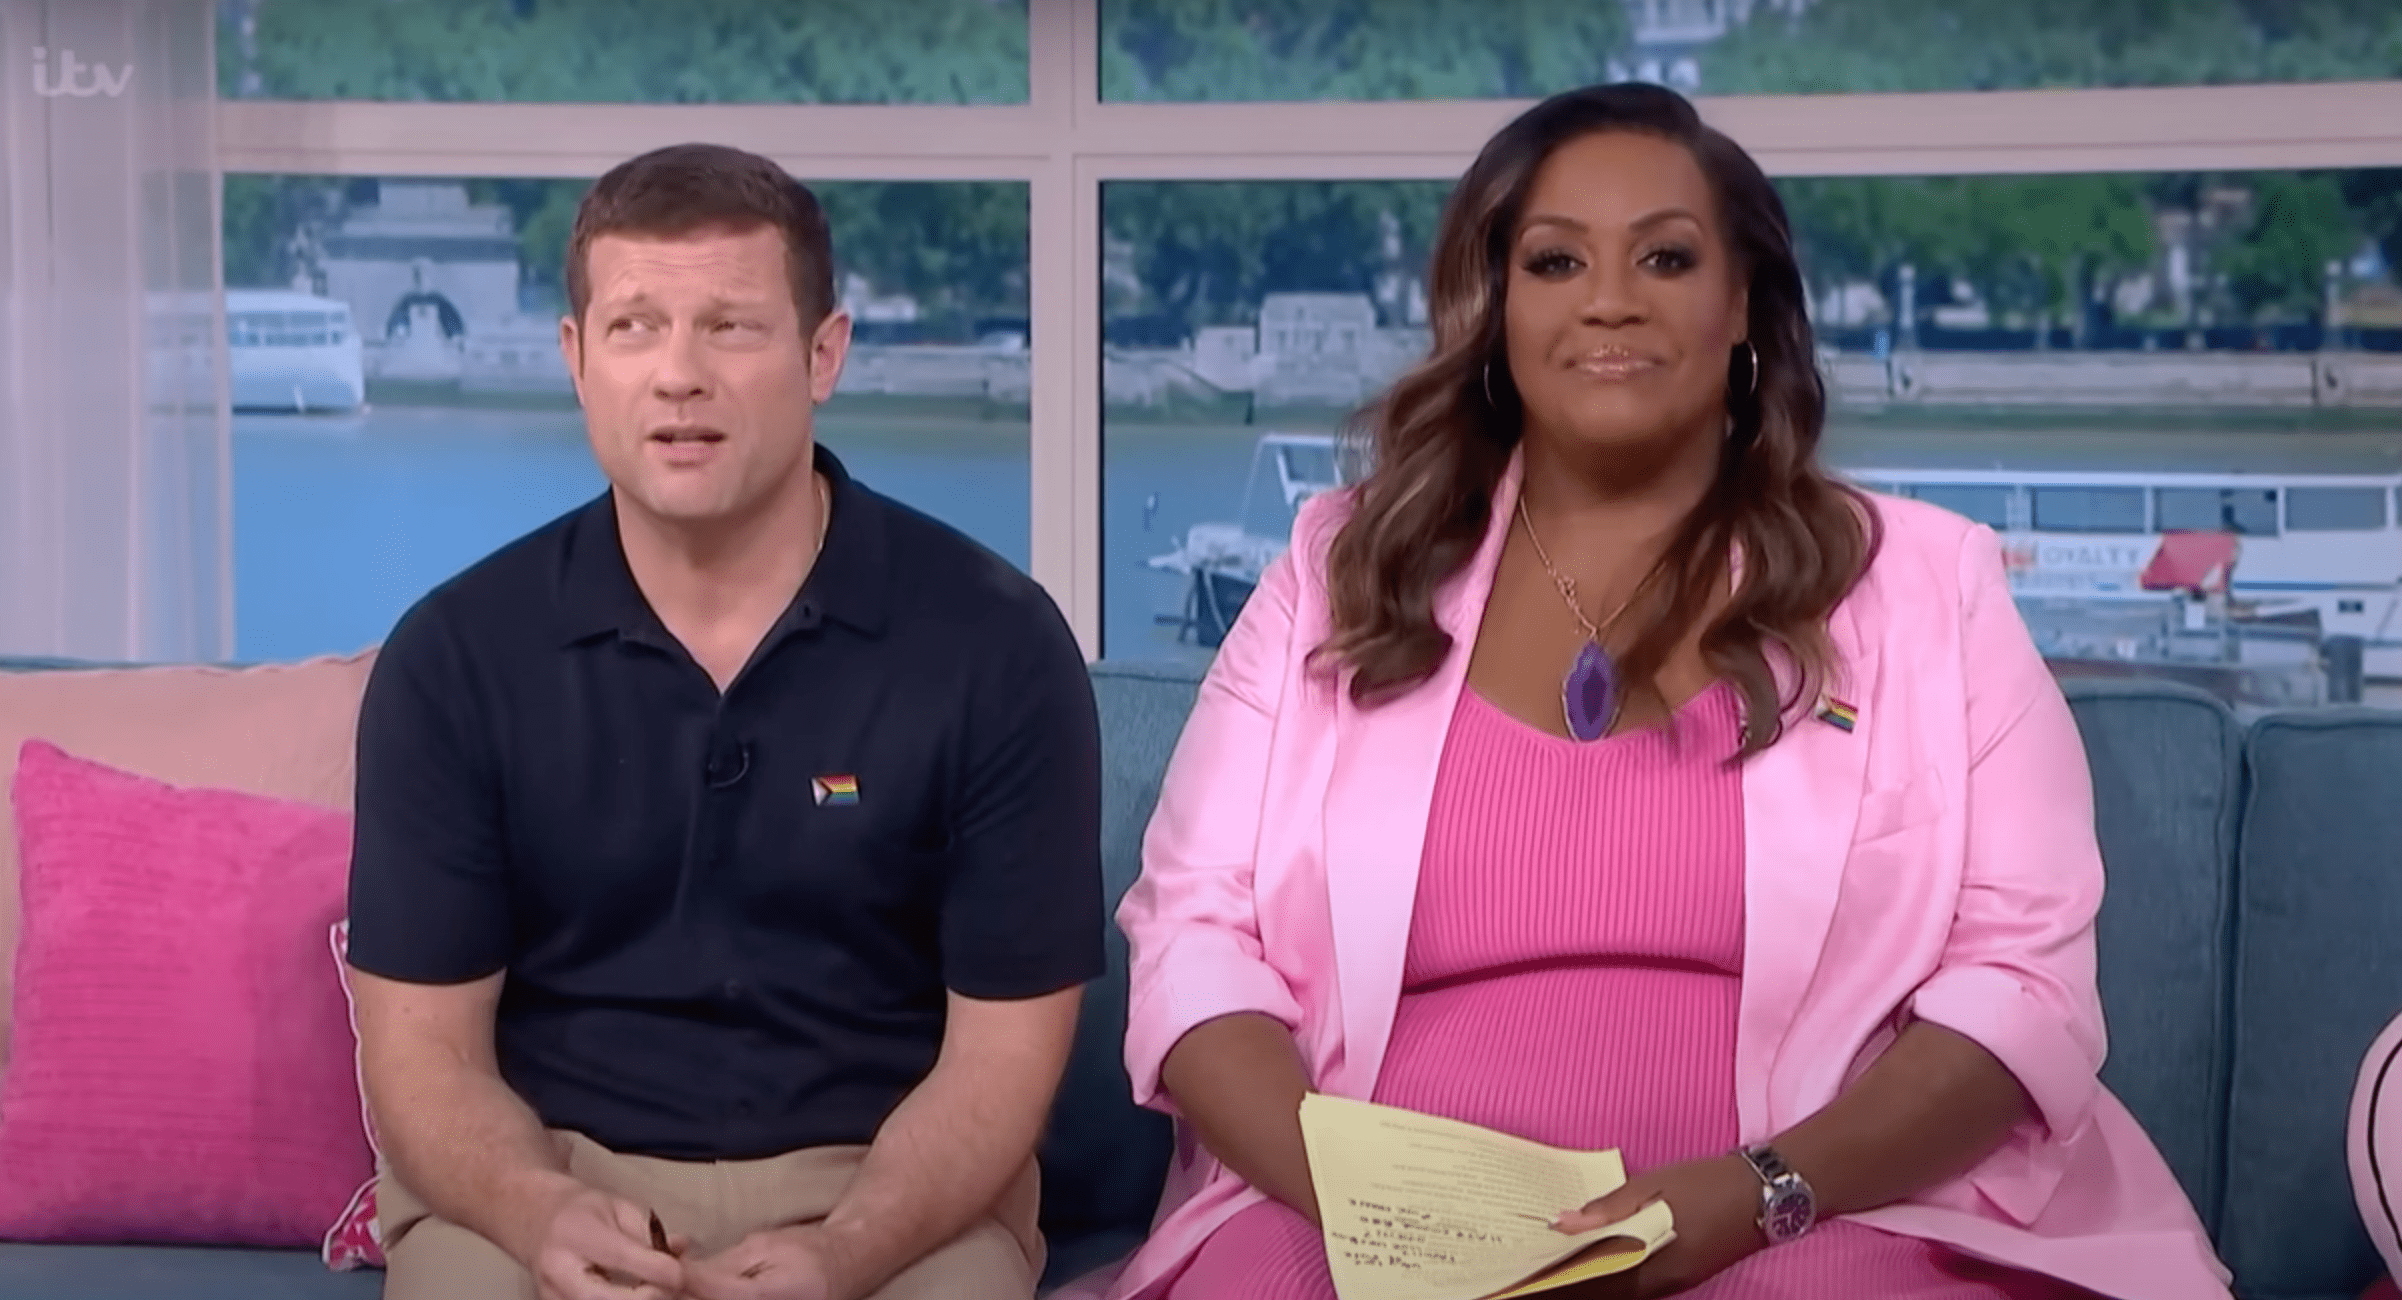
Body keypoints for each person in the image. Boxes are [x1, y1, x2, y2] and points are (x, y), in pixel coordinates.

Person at [1104, 84, 2232, 1299]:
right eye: (1553, 260)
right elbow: (1194, 938)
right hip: (1368, 1211)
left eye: (1664, 255)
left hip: (1819, 1208)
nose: (1609, 298)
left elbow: (2019, 987)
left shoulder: (1925, 586)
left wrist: (1760, 1192)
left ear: (1741, 300)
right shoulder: (1335, 575)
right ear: (1494, 309)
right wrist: (1371, 1205)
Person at [345, 143, 1102, 1300]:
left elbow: (1001, 1060)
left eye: (731, 329)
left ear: (823, 354)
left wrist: (850, 1248)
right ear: (577, 360)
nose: (678, 376)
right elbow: (422, 1053)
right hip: (544, 1178)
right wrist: (538, 1208)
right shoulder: (454, 656)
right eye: (636, 327)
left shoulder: (994, 644)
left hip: (886, 1188)